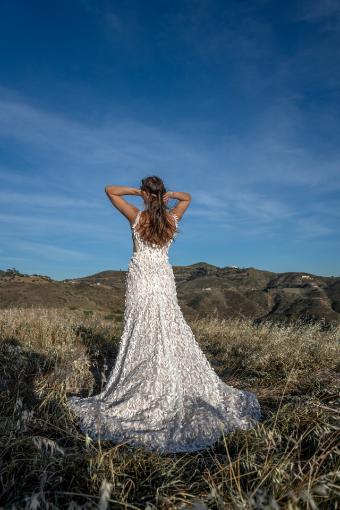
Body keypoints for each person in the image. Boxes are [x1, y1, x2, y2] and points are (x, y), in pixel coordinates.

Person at [67, 175, 261, 454]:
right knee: (168, 325)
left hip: (143, 279)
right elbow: (188, 198)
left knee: (141, 327)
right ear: (162, 194)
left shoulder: (136, 216)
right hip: (162, 278)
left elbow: (110, 190)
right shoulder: (171, 219)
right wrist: (168, 196)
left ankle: (146, 378)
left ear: (146, 193)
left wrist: (137, 193)